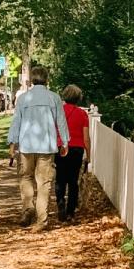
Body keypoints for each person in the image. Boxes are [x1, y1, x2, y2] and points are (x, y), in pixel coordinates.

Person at [7, 65, 68, 230]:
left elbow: (16, 122)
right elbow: (61, 121)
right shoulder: (54, 98)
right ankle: (42, 219)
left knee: (26, 177)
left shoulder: (23, 99)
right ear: (46, 79)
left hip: (26, 145)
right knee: (44, 183)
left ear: (32, 80)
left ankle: (28, 208)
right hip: (46, 146)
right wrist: (65, 142)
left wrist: (12, 143)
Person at [54, 85, 91, 222]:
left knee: (60, 178)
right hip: (76, 149)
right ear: (78, 98)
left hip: (61, 147)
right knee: (73, 180)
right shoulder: (82, 114)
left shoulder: (58, 112)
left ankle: (60, 203)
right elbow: (86, 138)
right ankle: (70, 212)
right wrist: (88, 155)